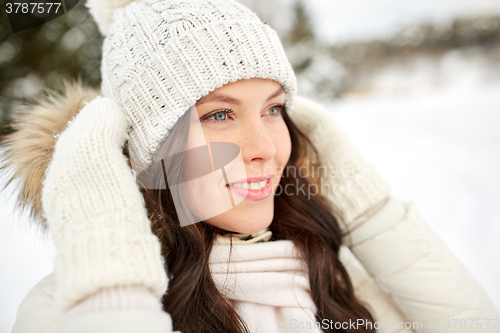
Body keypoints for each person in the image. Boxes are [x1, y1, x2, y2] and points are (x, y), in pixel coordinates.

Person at [1, 0, 498, 332]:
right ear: (146, 153)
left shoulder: (332, 271)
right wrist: (108, 255)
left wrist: (365, 205)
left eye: (274, 109)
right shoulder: (62, 310)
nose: (265, 147)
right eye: (219, 114)